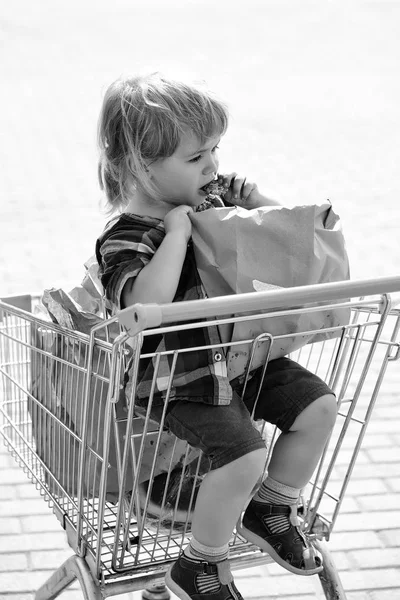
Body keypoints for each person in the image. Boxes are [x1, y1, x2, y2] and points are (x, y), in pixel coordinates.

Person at [95, 73, 337, 600]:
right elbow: (144, 305)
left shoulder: (215, 203)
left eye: (215, 150)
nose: (212, 166)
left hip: (241, 355)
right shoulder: (126, 236)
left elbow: (293, 247)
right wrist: (176, 235)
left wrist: (258, 205)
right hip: (177, 376)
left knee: (318, 406)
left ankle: (270, 507)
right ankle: (199, 565)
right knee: (245, 453)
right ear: (141, 164)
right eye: (195, 157)